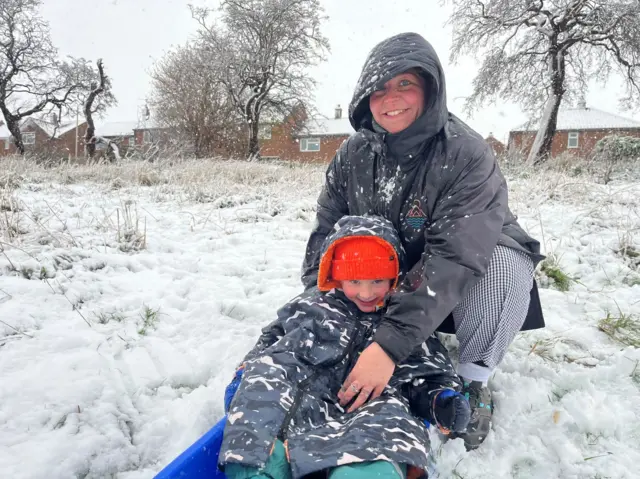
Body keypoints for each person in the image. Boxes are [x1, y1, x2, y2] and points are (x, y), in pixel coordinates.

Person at [301, 32, 545, 450]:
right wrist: (321, 312)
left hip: (461, 282)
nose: (390, 98)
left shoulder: (466, 153)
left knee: (504, 265)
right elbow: (328, 233)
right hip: (387, 280)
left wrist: (388, 347)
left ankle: (473, 379)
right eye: (378, 89)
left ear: (430, 89)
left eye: (404, 84)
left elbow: (454, 257)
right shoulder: (352, 154)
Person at [219, 215, 471, 479]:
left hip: (369, 408)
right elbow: (273, 337)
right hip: (300, 398)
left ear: (395, 276)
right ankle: (264, 468)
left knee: (386, 424)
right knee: (265, 383)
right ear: (336, 277)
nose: (365, 293)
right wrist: (247, 371)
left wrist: (439, 401)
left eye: (377, 281)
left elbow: (425, 372)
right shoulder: (313, 305)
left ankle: (361, 473)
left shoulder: (403, 319)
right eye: (354, 282)